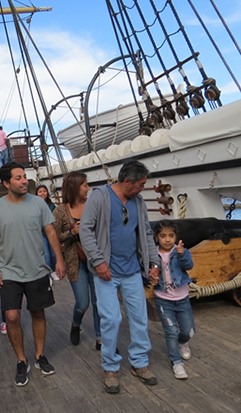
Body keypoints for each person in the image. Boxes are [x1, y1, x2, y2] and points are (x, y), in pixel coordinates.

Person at [79, 160, 160, 394]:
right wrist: (99, 261)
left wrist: (153, 263)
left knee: (139, 318)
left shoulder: (139, 202)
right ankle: (110, 367)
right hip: (106, 272)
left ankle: (139, 363)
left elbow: (146, 233)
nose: (142, 188)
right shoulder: (100, 197)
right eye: (140, 184)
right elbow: (85, 230)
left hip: (132, 270)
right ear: (127, 182)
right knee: (111, 320)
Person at [0, 161, 65, 387]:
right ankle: (21, 360)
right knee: (12, 316)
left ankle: (39, 355)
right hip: (9, 271)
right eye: (18, 178)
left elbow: (51, 232)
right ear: (6, 183)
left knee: (38, 313)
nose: (24, 181)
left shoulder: (38, 203)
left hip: (37, 269)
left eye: (24, 177)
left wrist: (59, 259)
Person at [52, 172, 101, 350]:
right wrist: (71, 233)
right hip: (76, 262)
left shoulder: (93, 205)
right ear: (75, 187)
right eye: (85, 185)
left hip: (96, 260)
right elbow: (55, 237)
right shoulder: (60, 211)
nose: (88, 189)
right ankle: (76, 323)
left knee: (98, 302)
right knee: (82, 303)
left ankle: (100, 338)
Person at [152, 220, 195, 380]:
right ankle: (176, 362)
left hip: (182, 299)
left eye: (171, 235)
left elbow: (189, 266)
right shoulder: (153, 255)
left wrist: (182, 254)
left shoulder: (180, 251)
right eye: (163, 236)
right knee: (171, 332)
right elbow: (148, 271)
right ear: (157, 237)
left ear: (176, 237)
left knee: (188, 331)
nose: (167, 239)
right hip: (163, 300)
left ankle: (183, 342)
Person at [36, 184, 56, 271]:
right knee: (46, 256)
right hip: (41, 234)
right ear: (37, 194)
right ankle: (48, 274)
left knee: (53, 255)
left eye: (44, 191)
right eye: (40, 192)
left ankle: (54, 271)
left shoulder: (52, 205)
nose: (42, 193)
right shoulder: (35, 206)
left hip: (52, 233)